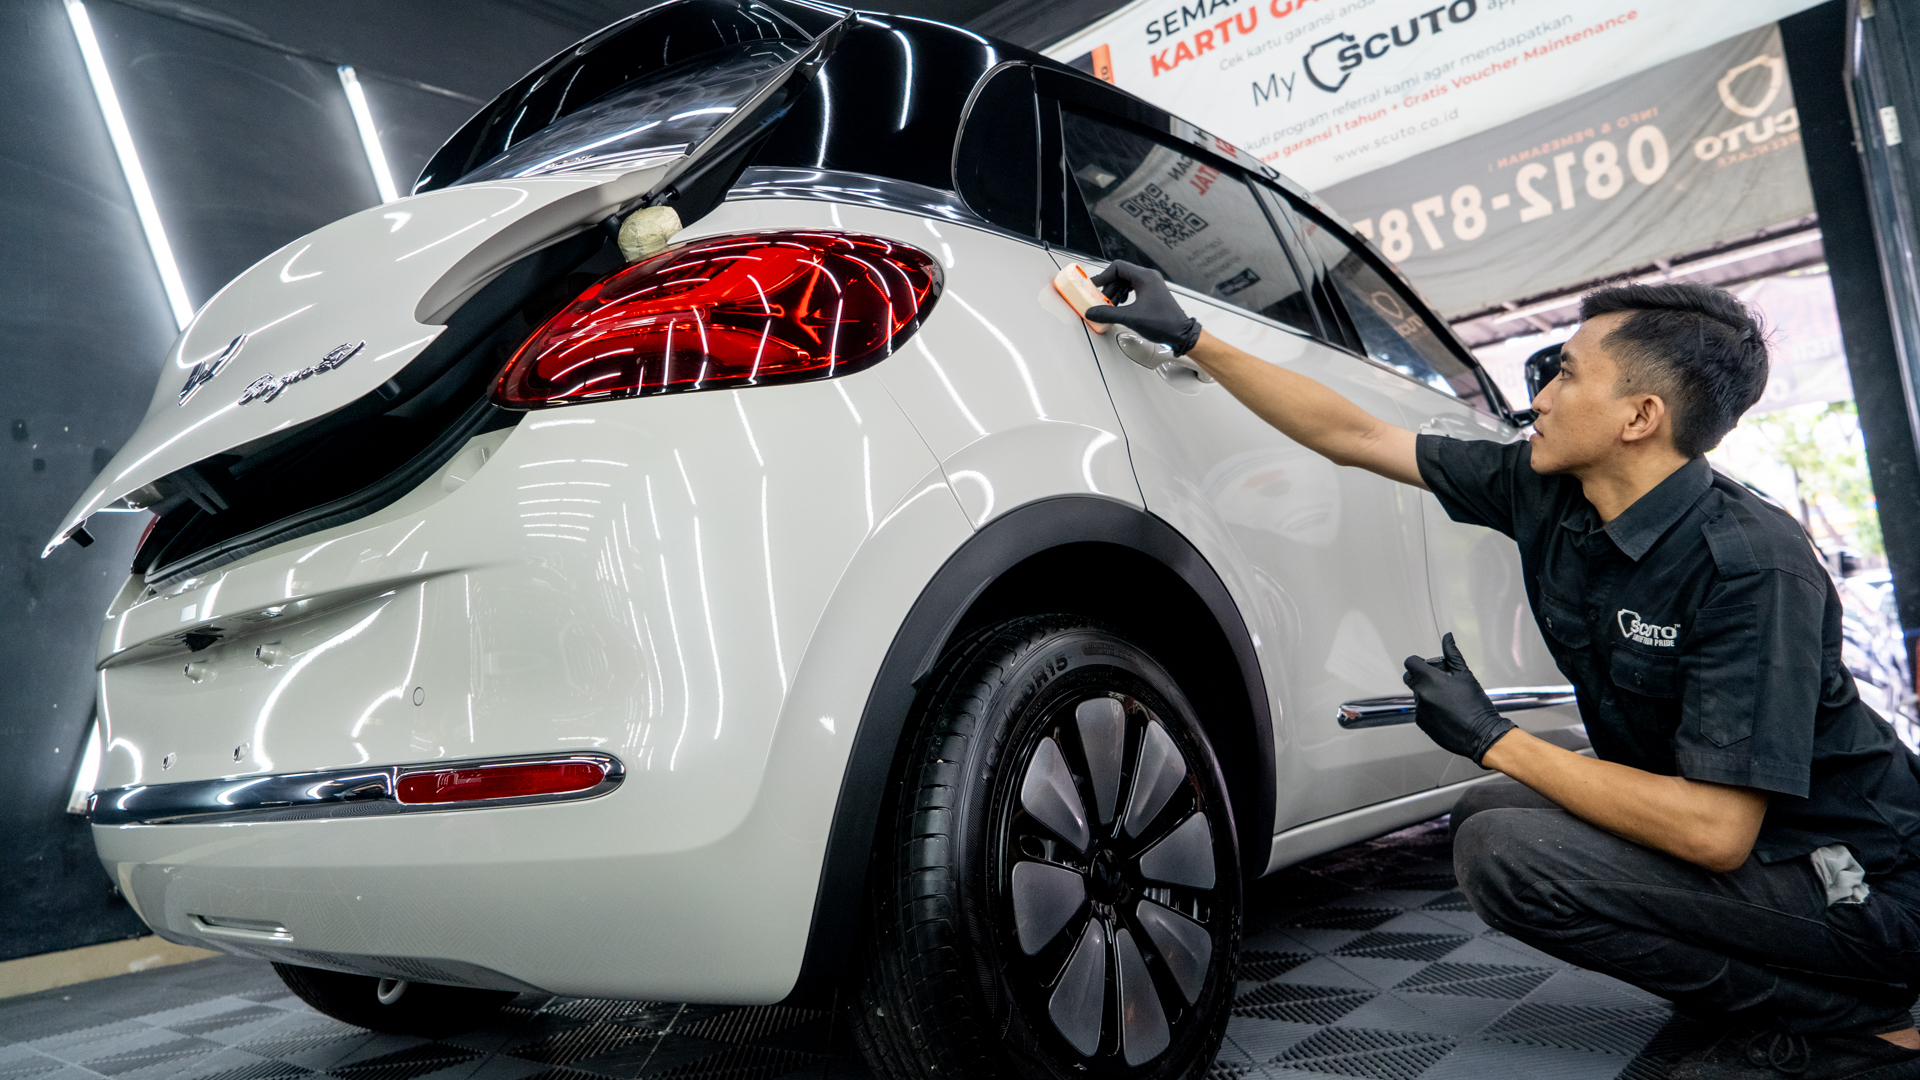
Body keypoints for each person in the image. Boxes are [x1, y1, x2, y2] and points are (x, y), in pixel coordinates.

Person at [1085, 262, 1920, 1080]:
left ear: (1640, 417)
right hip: (1761, 857)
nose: (1540, 398)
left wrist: (1494, 737)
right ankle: (1780, 985)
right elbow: (1359, 436)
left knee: (1508, 850)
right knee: (1491, 811)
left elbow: (1714, 831)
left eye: (1567, 374)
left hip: (1860, 883)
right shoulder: (1551, 492)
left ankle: (1857, 1022)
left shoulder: (1749, 566)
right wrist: (1192, 336)